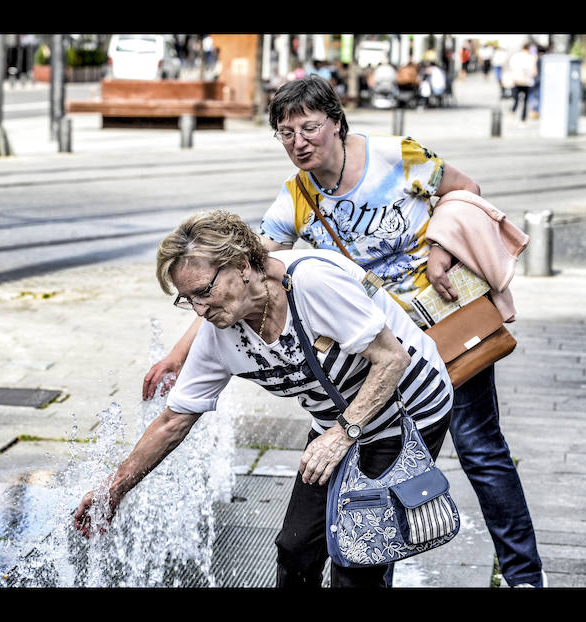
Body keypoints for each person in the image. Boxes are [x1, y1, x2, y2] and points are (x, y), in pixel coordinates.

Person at [143, 75, 547, 589]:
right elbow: (233, 275)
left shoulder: (395, 156)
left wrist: (442, 247)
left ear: (336, 122)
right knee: (382, 485)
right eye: (285, 133)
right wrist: (180, 356)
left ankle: (524, 576)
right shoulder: (295, 199)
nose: (299, 142)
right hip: (371, 345)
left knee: (482, 452)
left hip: (441, 325)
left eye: (309, 127)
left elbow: (464, 190)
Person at [76, 210, 454, 588]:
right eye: (187, 299)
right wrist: (114, 490)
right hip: (335, 422)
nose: (199, 310)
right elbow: (173, 421)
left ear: (242, 265)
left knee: (357, 558)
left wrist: (342, 435)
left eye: (204, 292)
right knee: (295, 548)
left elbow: (392, 359)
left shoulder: (312, 282)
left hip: (406, 410)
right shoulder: (217, 333)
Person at [509, 43, 538, 124]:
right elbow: (534, 72)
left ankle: (511, 115)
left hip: (516, 81)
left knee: (516, 100)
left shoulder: (515, 56)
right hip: (527, 82)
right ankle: (523, 120)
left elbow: (511, 68)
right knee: (525, 102)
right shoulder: (531, 58)